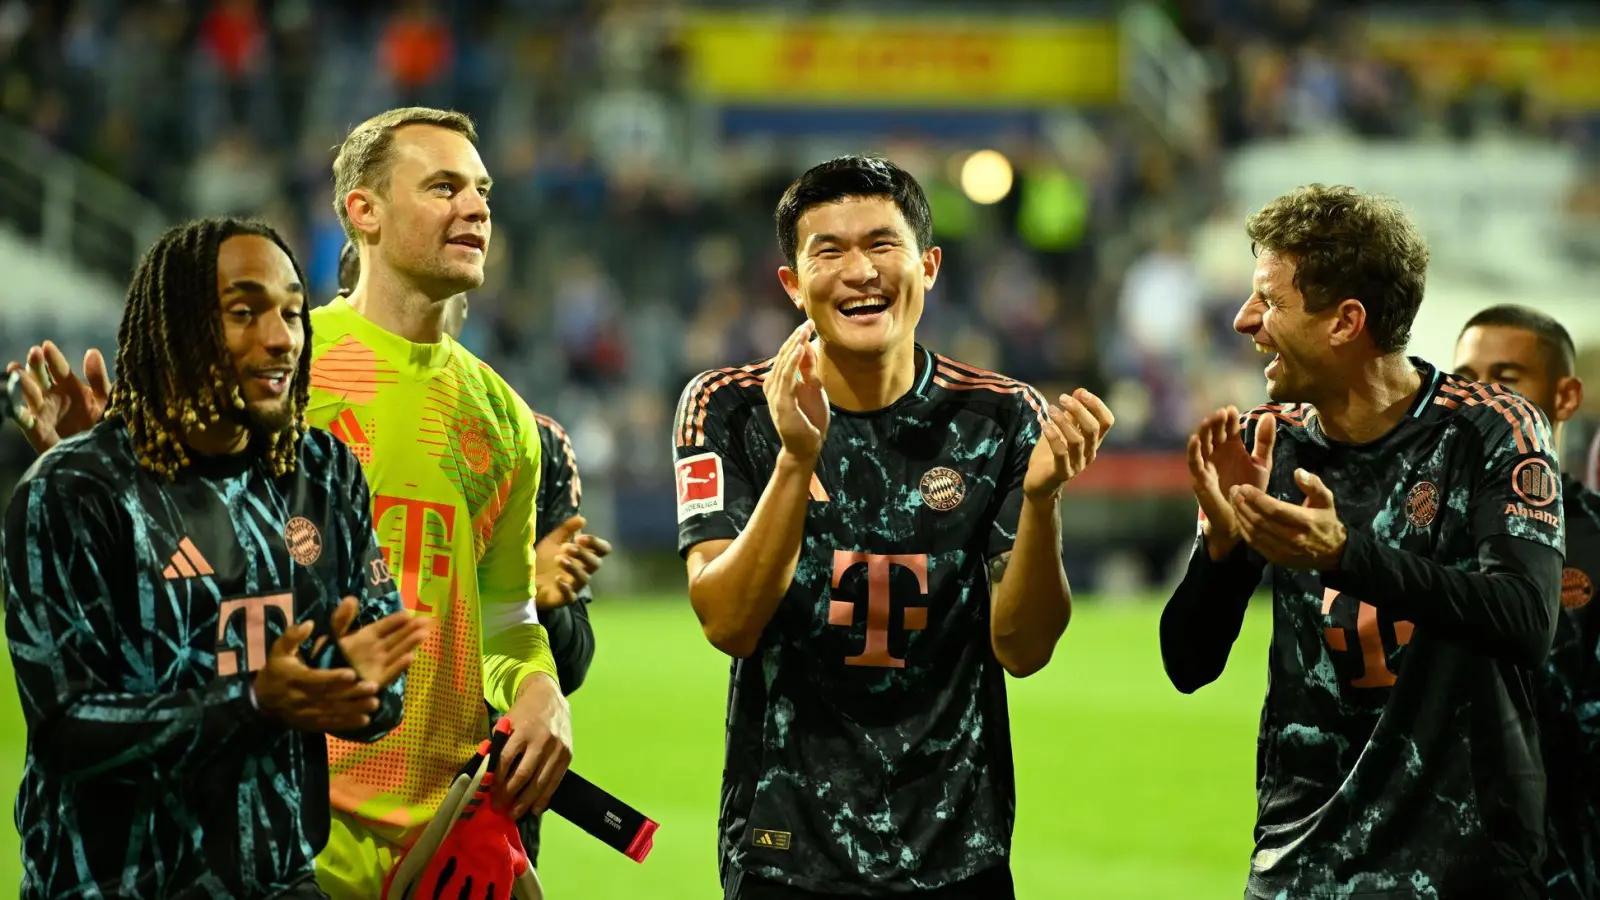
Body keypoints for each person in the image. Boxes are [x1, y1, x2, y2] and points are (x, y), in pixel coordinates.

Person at [4, 108, 576, 899]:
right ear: (362, 212)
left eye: (481, 189)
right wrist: (118, 463)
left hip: (418, 839)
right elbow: (90, 694)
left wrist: (539, 691)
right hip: (248, 844)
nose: (476, 206)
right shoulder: (265, 383)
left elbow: (504, 624)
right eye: (443, 186)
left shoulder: (497, 419)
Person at [673, 155, 1113, 900]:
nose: (860, 271)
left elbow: (1025, 647)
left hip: (957, 848)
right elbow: (728, 621)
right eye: (829, 251)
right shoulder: (730, 409)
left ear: (929, 266)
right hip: (784, 848)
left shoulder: (1000, 417)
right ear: (792, 284)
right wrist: (796, 460)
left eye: (882, 244)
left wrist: (1041, 505)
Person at [1, 217, 430, 899]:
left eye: (292, 311)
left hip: (283, 881)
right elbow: (65, 729)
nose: (282, 337)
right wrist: (257, 700)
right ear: (177, 328)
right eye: (244, 312)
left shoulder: (322, 472)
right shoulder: (74, 490)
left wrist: (355, 686)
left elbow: (382, 694)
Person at [1160, 184, 1565, 899]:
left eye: (1270, 301)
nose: (1243, 319)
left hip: (1463, 871)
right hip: (1300, 868)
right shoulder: (1273, 442)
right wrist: (1221, 553)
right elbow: (1188, 663)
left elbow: (1528, 620)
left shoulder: (1490, 430)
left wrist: (1345, 556)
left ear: (1346, 321)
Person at [336, 237, 609, 868]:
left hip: (476, 798)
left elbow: (566, 659)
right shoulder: (301, 401)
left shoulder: (520, 434)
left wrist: (543, 606)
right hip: (330, 790)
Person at [1453, 304, 1600, 900]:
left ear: (1565, 397)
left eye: (1506, 379)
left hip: (1570, 859)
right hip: (1433, 860)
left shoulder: (1595, 538)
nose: (1481, 397)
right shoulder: (1410, 531)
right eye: (1465, 380)